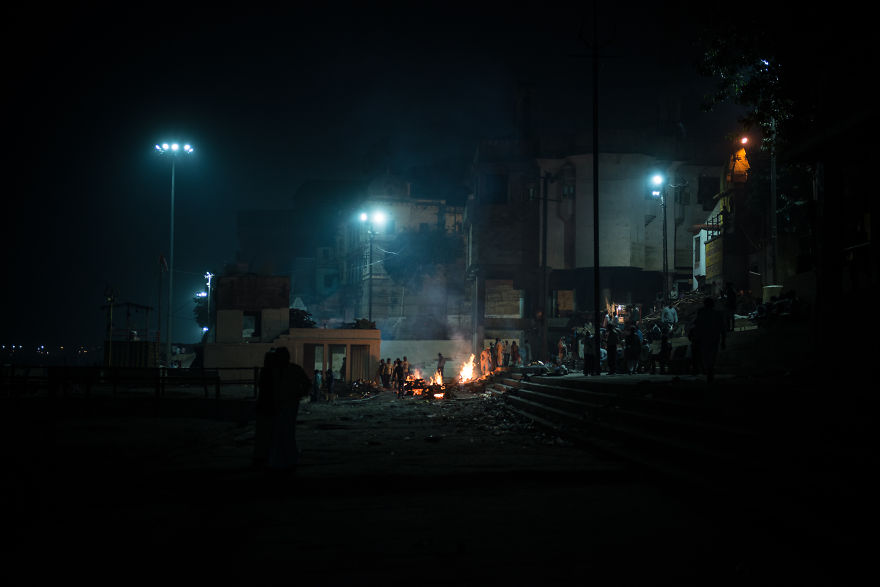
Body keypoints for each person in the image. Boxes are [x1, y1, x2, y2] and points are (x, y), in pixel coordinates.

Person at [267, 347, 311, 477]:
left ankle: (284, 461)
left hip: (287, 404)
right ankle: (284, 460)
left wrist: (298, 394)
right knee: (282, 433)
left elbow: (306, 383)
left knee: (285, 432)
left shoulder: (288, 370)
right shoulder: (282, 370)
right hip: (281, 404)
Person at [693, 296, 726, 384]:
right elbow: (722, 328)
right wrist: (723, 341)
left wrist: (696, 339)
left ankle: (709, 371)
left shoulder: (702, 314)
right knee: (712, 356)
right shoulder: (717, 314)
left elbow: (697, 326)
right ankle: (710, 371)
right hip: (714, 338)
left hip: (704, 339)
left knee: (706, 356)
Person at [253, 349, 277, 469]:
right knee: (270, 432)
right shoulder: (273, 372)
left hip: (263, 405)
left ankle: (260, 456)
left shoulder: (264, 371)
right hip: (270, 406)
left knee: (262, 433)